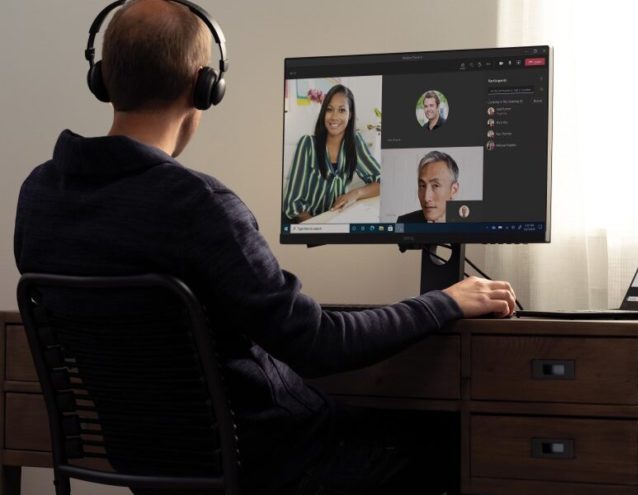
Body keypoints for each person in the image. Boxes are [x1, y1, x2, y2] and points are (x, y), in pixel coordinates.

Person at [13, 1, 516, 494]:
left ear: (103, 77)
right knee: (457, 443)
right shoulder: (198, 206)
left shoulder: (39, 196)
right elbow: (318, 343)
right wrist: (446, 301)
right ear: (204, 86)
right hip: (271, 463)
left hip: (148, 464)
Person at [283, 84, 381, 223]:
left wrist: (355, 194)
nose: (334, 117)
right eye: (329, 109)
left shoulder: (355, 143)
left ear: (350, 114)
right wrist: (317, 229)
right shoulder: (308, 144)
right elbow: (292, 204)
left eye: (342, 110)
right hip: (305, 223)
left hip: (333, 219)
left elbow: (382, 181)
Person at [397, 151, 459, 223]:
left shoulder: (470, 227)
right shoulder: (404, 222)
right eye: (422, 186)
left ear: (454, 190)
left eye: (436, 185)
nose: (426, 198)